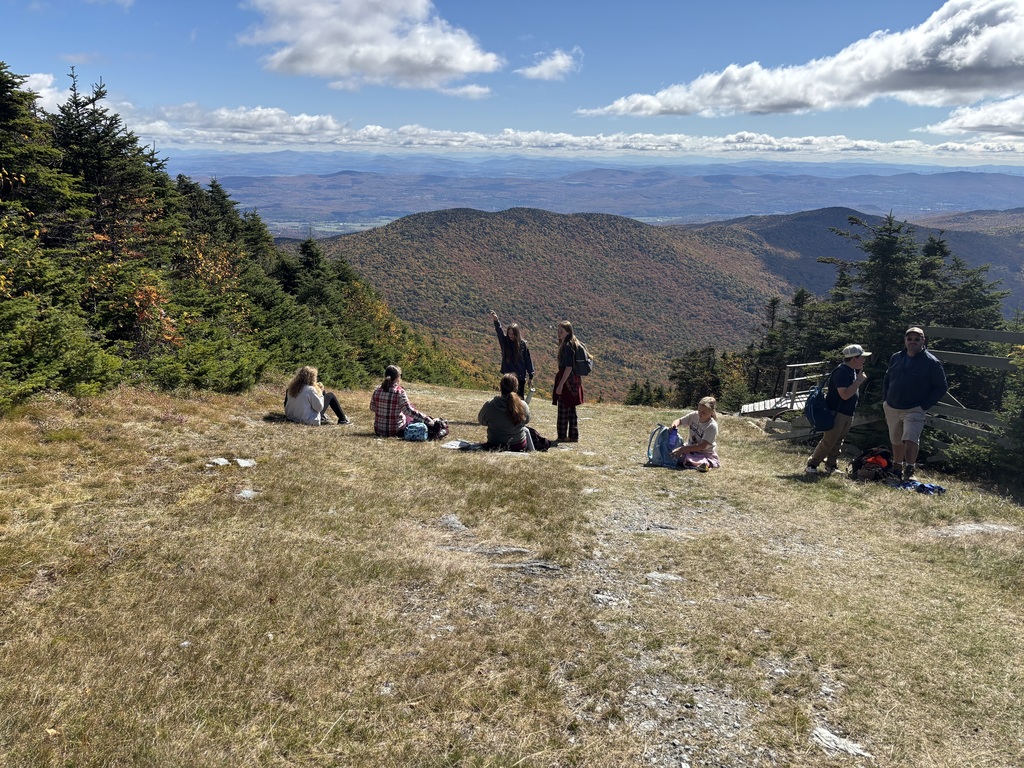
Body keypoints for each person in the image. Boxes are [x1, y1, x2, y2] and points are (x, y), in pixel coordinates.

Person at [882, 326, 948, 481]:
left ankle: (910, 468)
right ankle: (897, 466)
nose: (912, 342)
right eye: (909, 339)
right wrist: (885, 399)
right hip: (891, 406)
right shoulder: (896, 357)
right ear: (905, 340)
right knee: (896, 439)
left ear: (923, 341)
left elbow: (941, 387)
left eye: (917, 339)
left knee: (910, 438)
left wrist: (924, 405)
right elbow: (887, 378)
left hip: (914, 408)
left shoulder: (931, 362)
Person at [805, 344, 870, 475]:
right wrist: (858, 381)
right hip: (837, 412)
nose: (864, 360)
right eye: (862, 358)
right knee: (829, 441)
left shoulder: (850, 370)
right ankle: (812, 464)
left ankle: (831, 465)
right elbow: (844, 395)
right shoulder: (841, 372)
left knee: (838, 440)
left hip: (846, 412)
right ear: (853, 359)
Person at [369, 364, 434, 437]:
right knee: (410, 409)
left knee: (406, 408)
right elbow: (409, 411)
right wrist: (426, 419)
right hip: (396, 431)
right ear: (398, 377)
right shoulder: (399, 392)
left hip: (379, 430)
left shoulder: (377, 390)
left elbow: (372, 408)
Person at [477, 373, 531, 451]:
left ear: (500, 387)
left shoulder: (490, 405)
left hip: (494, 444)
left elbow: (482, 421)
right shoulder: (523, 405)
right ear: (516, 388)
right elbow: (527, 420)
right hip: (518, 445)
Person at [284, 366, 350, 426]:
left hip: (291, 417)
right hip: (307, 420)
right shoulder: (311, 389)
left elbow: (285, 404)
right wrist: (320, 392)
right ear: (312, 378)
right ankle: (343, 419)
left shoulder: (291, 388)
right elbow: (319, 408)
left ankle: (325, 417)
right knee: (330, 396)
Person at [489, 311, 535, 398]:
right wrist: (496, 320)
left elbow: (528, 360)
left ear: (517, 333)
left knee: (519, 400)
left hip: (520, 377)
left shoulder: (522, 344)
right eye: (509, 333)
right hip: (508, 377)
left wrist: (531, 375)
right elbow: (499, 332)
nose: (511, 335)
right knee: (506, 399)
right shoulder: (505, 343)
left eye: (513, 333)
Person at [552, 320, 585, 442]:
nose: (558, 333)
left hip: (567, 381)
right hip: (575, 381)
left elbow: (568, 367)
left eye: (561, 331)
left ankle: (562, 436)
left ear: (568, 332)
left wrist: (560, 385)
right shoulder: (574, 343)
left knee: (563, 409)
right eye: (558, 331)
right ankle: (573, 435)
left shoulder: (566, 346)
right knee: (571, 408)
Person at [670, 396, 721, 471]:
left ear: (711, 412)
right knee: (673, 453)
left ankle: (706, 463)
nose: (700, 413)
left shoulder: (712, 426)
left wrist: (682, 449)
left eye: (703, 412)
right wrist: (674, 425)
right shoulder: (694, 415)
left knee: (685, 459)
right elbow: (679, 421)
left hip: (704, 453)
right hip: (690, 448)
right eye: (699, 410)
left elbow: (702, 446)